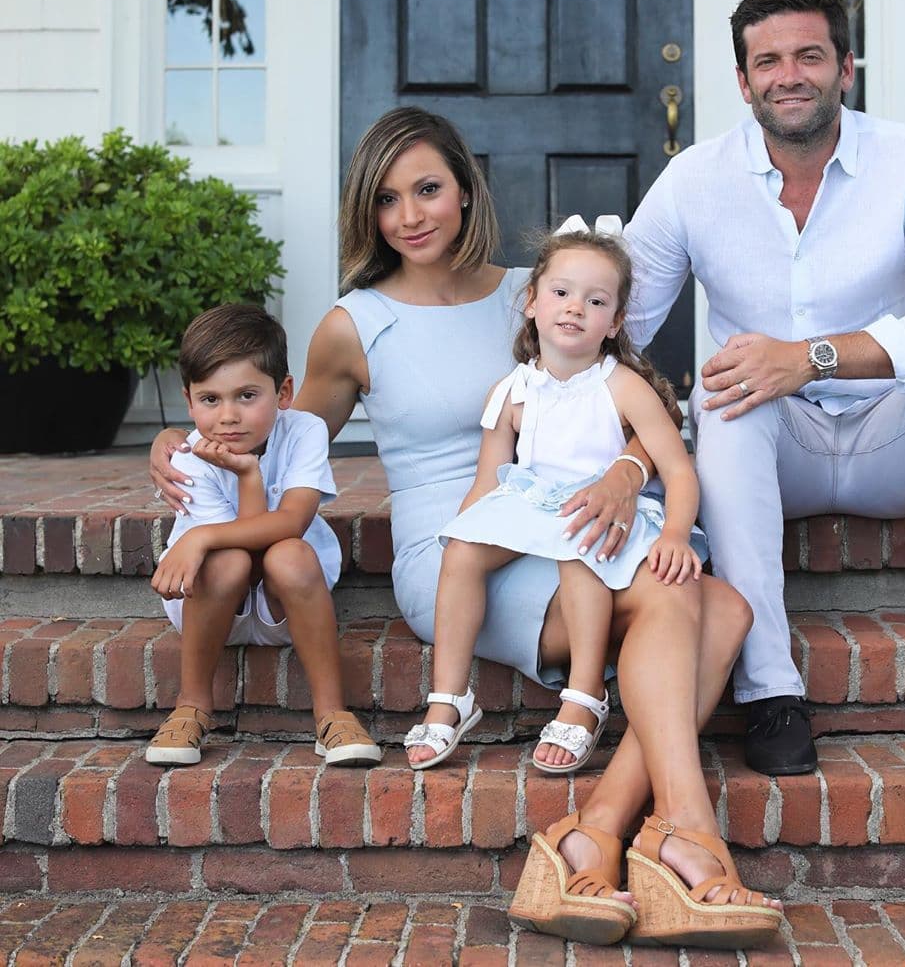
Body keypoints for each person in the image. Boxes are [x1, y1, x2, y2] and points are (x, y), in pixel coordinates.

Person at [151, 108, 782, 950]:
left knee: (727, 608)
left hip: (570, 517)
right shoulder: (354, 323)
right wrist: (176, 436)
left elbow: (639, 408)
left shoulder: (543, 288)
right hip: (459, 550)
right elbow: (275, 429)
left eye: (427, 190)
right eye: (386, 200)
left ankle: (594, 833)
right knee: (684, 603)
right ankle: (684, 837)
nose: (409, 216)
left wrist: (626, 474)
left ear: (465, 190)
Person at [624, 0, 905, 777]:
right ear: (743, 82)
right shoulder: (694, 181)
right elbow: (616, 326)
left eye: (809, 56)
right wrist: (629, 448)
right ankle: (770, 692)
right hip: (774, 453)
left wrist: (810, 356)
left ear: (846, 68)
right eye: (768, 62)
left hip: (899, 436)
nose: (790, 76)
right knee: (728, 401)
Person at [405, 218, 707, 776]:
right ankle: (449, 697)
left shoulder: (622, 386)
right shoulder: (512, 390)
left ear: (615, 322)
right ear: (531, 302)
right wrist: (463, 534)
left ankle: (585, 695)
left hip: (594, 509)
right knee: (463, 549)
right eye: (561, 292)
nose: (574, 308)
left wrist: (675, 534)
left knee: (578, 545)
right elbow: (489, 480)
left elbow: (678, 470)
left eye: (595, 301)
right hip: (532, 501)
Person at [147, 302, 381, 768]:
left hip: (285, 601)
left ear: (284, 392)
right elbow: (242, 557)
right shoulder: (189, 457)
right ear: (189, 402)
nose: (228, 416)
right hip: (213, 602)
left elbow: (291, 522)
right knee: (228, 560)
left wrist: (206, 527)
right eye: (210, 400)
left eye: (247, 395)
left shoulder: (305, 431)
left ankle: (332, 714)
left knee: (290, 553)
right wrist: (244, 479)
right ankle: (191, 706)